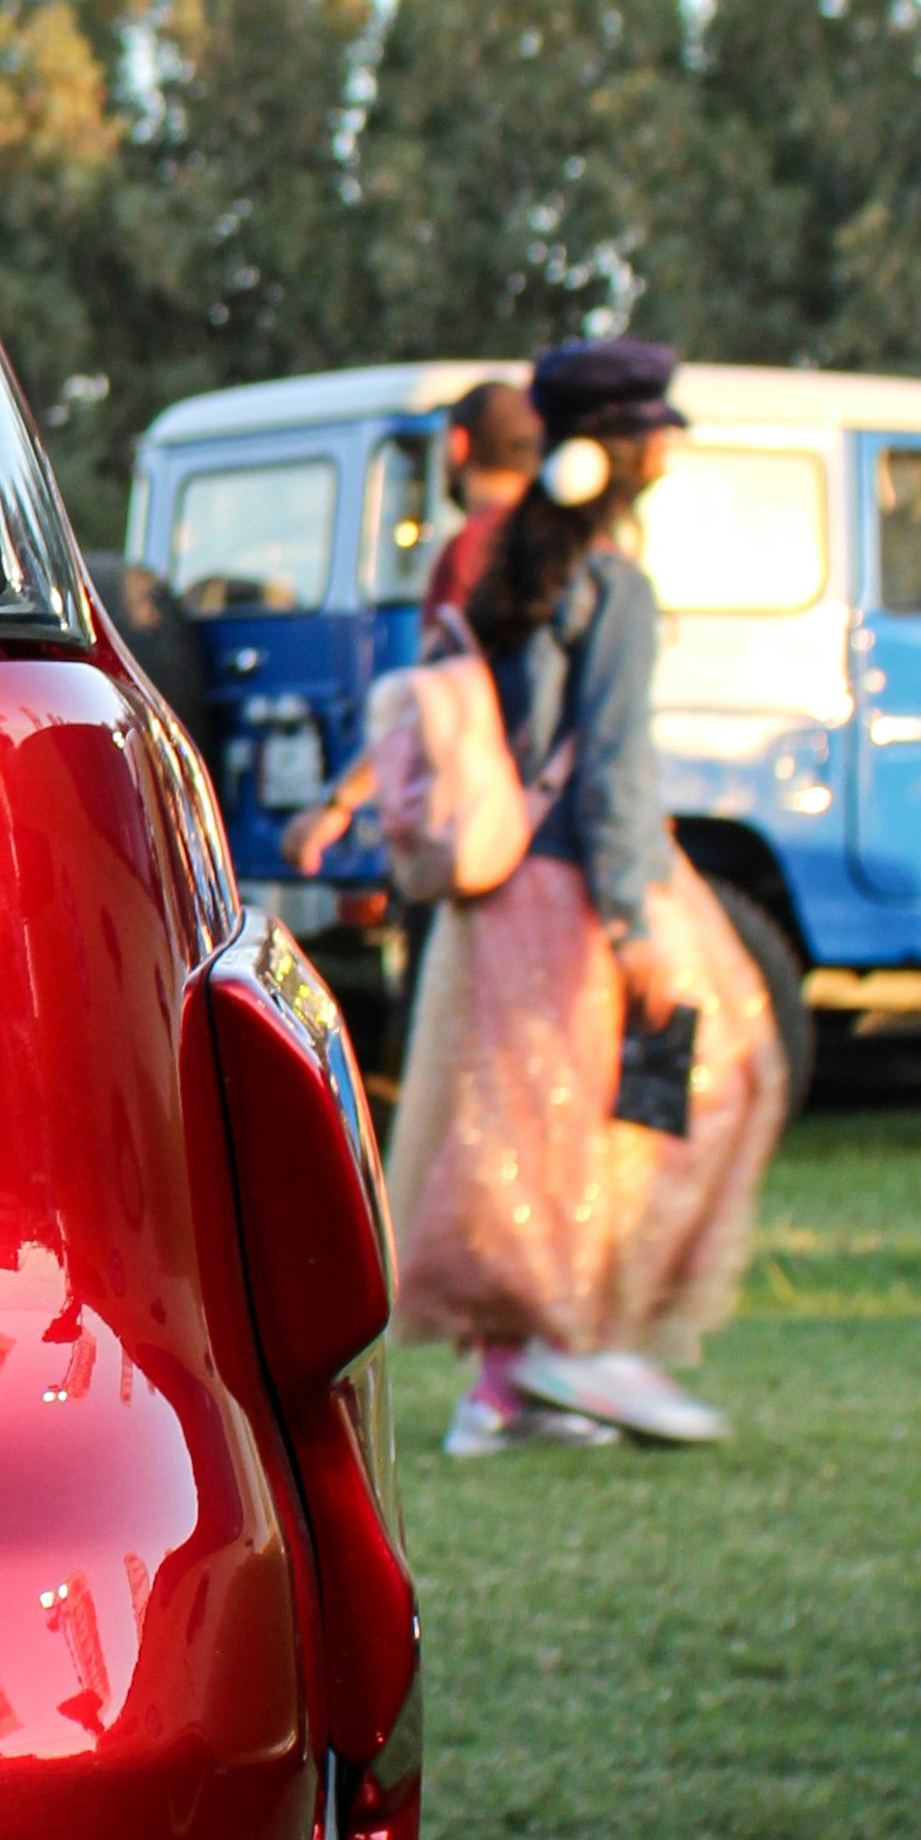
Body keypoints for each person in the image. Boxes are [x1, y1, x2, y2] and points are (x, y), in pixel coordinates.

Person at [387, 333, 791, 1454]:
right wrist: (630, 924)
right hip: (578, 889)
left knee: (522, 1128)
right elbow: (610, 767)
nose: (665, 446)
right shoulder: (608, 584)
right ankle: (582, 1347)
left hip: (495, 892)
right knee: (705, 1079)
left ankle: (509, 1387)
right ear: (619, 449)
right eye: (652, 428)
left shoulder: (507, 561)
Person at [284, 375, 544, 871]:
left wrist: (337, 805)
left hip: (481, 827)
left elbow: (426, 700)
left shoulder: (470, 553)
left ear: (460, 444)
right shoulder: (566, 550)